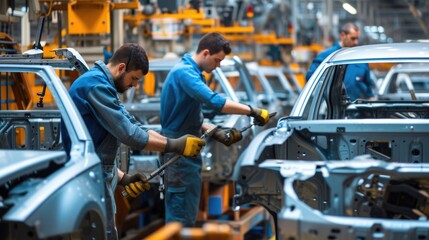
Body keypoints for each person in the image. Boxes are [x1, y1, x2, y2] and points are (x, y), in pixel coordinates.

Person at [61, 43, 206, 239]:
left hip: (95, 175)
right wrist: (174, 145)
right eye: (134, 79)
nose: (134, 85)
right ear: (121, 68)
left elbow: (133, 126)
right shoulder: (96, 86)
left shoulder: (104, 85)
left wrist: (124, 178)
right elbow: (129, 134)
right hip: (87, 180)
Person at [159, 32, 271, 226]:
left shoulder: (192, 73)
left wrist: (215, 131)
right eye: (217, 60)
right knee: (180, 216)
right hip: (179, 153)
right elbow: (213, 101)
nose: (217, 65)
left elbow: (189, 115)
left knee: (187, 210)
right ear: (205, 53)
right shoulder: (184, 73)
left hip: (187, 150)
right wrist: (251, 111)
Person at [306, 22, 375, 101]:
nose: (356, 42)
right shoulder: (328, 56)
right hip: (331, 109)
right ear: (343, 35)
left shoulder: (361, 59)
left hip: (355, 109)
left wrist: (371, 98)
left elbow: (368, 86)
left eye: (357, 39)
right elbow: (311, 78)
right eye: (353, 38)